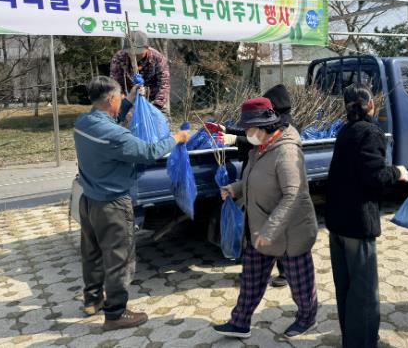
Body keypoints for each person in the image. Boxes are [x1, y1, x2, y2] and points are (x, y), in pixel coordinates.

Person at [75, 76, 190, 331]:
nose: (120, 101)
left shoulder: (83, 122)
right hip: (112, 205)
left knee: (92, 253)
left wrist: (129, 99)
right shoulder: (115, 136)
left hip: (89, 200)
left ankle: (92, 300)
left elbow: (110, 121)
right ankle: (115, 313)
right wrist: (177, 137)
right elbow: (149, 152)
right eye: (118, 97)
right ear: (110, 99)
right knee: (119, 259)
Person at [213, 97, 318, 340]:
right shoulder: (259, 150)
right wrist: (235, 189)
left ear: (263, 127)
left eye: (249, 128)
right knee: (251, 281)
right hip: (260, 229)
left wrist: (269, 231)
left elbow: (293, 195)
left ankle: (307, 318)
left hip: (289, 233)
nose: (246, 133)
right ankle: (239, 322)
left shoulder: (286, 152)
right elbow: (255, 180)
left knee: (301, 286)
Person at [325, 84, 408, 348]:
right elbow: (374, 176)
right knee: (364, 292)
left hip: (337, 221)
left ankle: (351, 339)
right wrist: (399, 172)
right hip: (357, 222)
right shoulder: (370, 131)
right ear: (372, 104)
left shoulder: (346, 130)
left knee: (345, 287)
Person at [206, 84, 293, 287]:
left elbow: (260, 139)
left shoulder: (284, 125)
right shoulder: (270, 120)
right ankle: (255, 272)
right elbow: (254, 135)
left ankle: (286, 272)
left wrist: (235, 139)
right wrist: (226, 130)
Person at [110, 30, 170, 110]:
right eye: (130, 52)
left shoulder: (157, 58)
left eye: (138, 53)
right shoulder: (119, 57)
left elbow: (164, 84)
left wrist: (156, 106)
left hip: (152, 100)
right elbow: (115, 84)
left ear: (146, 48)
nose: (134, 55)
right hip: (128, 99)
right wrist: (124, 106)